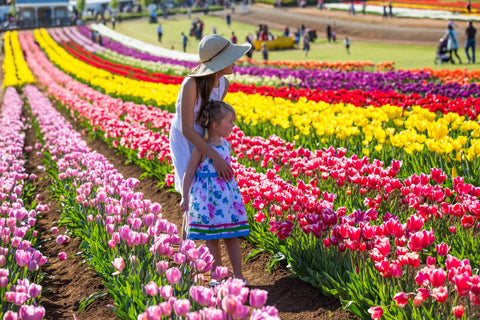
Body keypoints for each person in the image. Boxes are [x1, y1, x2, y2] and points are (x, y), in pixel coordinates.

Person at [169, 33, 251, 206]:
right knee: (192, 190)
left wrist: (215, 146)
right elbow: (187, 129)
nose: (235, 61)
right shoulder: (191, 85)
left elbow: (212, 117)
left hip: (205, 137)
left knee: (205, 186)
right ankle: (189, 228)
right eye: (230, 58)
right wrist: (215, 157)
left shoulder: (223, 84)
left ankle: (205, 226)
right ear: (218, 63)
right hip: (186, 138)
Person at [180, 100, 250, 285]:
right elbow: (189, 172)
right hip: (208, 201)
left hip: (226, 199)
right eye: (230, 121)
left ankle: (239, 275)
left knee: (232, 237)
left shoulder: (226, 145)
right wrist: (184, 196)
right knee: (212, 240)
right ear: (216, 125)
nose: (233, 126)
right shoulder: (200, 148)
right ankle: (216, 277)